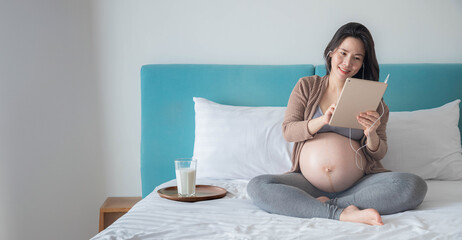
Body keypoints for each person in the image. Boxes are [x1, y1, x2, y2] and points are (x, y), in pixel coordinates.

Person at [247, 22, 427, 225]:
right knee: (258, 185)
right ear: (331, 52)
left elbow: (379, 152)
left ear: (362, 64)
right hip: (308, 184)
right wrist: (321, 121)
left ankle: (329, 204)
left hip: (358, 185)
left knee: (414, 186)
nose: (347, 63)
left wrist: (372, 134)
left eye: (357, 58)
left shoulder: (373, 100)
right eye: (343, 53)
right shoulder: (307, 86)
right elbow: (288, 131)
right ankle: (342, 213)